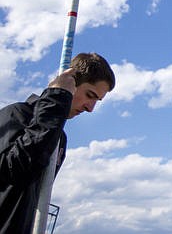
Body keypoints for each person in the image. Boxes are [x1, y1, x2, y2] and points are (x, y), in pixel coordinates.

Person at [0, 52, 115, 234]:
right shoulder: (15, 114)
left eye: (97, 101)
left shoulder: (60, 138)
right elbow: (15, 171)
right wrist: (56, 99)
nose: (90, 108)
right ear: (69, 82)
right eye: (89, 95)